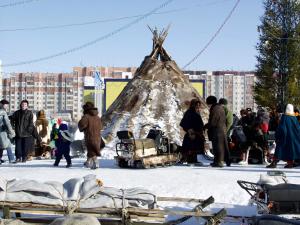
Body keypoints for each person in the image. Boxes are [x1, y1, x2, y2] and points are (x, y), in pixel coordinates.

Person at [267, 104, 300, 168]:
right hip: (293, 138)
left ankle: (274, 163)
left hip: (284, 137)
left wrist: (277, 135)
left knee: (279, 150)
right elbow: (298, 128)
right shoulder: (294, 118)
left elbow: (282, 128)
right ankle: (290, 163)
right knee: (290, 150)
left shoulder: (284, 117)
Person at [204, 96, 230, 167]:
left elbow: (213, 121)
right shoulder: (219, 107)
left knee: (218, 146)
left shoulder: (215, 108)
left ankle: (219, 161)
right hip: (222, 129)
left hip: (217, 130)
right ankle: (226, 161)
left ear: (210, 102)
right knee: (223, 145)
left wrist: (206, 126)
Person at [78, 102, 102, 169]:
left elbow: (81, 125)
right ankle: (88, 162)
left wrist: (83, 128)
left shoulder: (86, 117)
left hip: (89, 136)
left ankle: (95, 162)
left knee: (91, 150)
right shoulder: (98, 117)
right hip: (97, 137)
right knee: (92, 149)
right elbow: (101, 127)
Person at [180, 99, 205, 163]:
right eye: (197, 105)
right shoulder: (189, 112)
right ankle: (187, 159)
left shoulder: (196, 112)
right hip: (192, 134)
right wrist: (189, 130)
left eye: (199, 105)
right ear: (193, 105)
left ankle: (193, 160)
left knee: (195, 148)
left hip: (197, 134)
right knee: (190, 147)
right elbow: (183, 123)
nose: (198, 106)